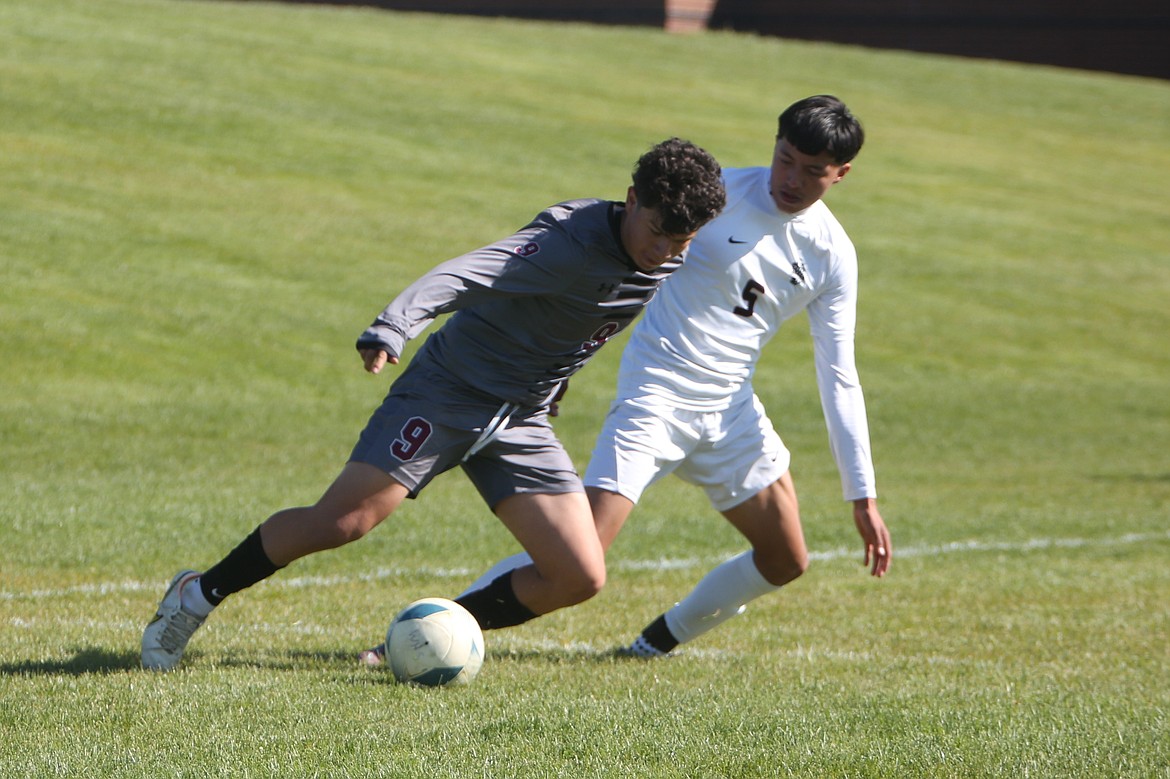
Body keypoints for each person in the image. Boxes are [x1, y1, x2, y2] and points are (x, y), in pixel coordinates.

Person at [140, 138, 727, 671]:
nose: (664, 250)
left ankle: (415, 639)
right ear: (631, 200)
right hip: (450, 390)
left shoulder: (665, 253)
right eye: (656, 230)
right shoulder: (565, 242)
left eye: (681, 241)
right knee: (344, 522)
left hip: (519, 416)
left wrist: (555, 381)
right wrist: (394, 325)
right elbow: (469, 273)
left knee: (578, 574)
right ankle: (196, 594)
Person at [409, 95, 890, 661]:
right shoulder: (718, 198)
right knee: (579, 553)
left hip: (731, 411)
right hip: (655, 395)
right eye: (785, 159)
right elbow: (623, 246)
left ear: (842, 174)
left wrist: (862, 494)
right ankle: (432, 634)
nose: (791, 178)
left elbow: (839, 374)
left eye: (813, 171)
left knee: (786, 560)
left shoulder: (833, 254)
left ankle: (653, 645)